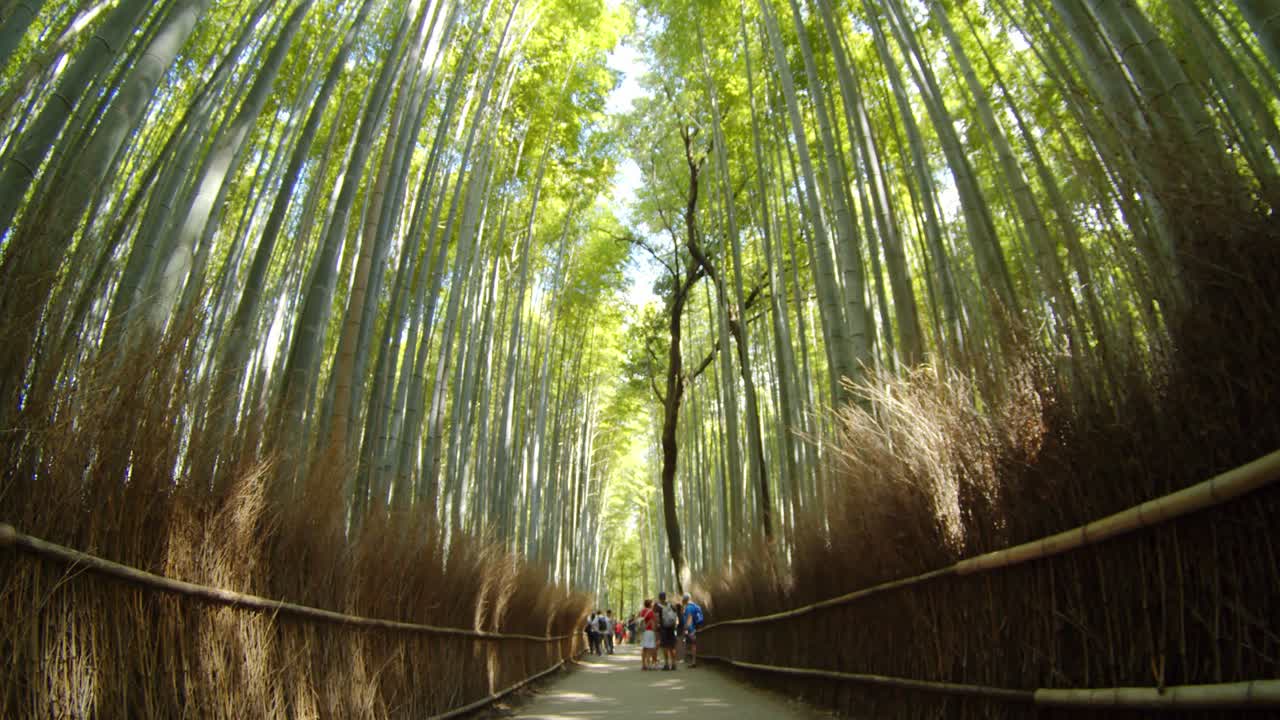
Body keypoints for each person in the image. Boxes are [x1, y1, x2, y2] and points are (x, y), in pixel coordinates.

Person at [655, 591, 679, 670]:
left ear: (659, 597)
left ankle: (666, 664)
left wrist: (657, 626)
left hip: (663, 628)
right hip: (671, 628)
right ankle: (674, 664)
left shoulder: (657, 606)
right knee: (672, 646)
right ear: (665, 597)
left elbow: (657, 617)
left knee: (665, 646)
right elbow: (676, 613)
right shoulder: (670, 605)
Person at [682, 593, 704, 668]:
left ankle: (693, 661)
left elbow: (689, 619)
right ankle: (693, 661)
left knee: (692, 645)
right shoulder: (696, 606)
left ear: (684, 600)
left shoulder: (688, 608)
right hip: (698, 627)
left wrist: (686, 629)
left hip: (691, 629)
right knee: (694, 644)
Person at [638, 599, 658, 670]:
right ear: (650, 604)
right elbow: (652, 622)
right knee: (650, 647)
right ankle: (648, 664)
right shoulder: (651, 612)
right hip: (649, 631)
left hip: (643, 631)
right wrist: (655, 631)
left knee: (644, 648)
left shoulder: (642, 611)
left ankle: (643, 664)